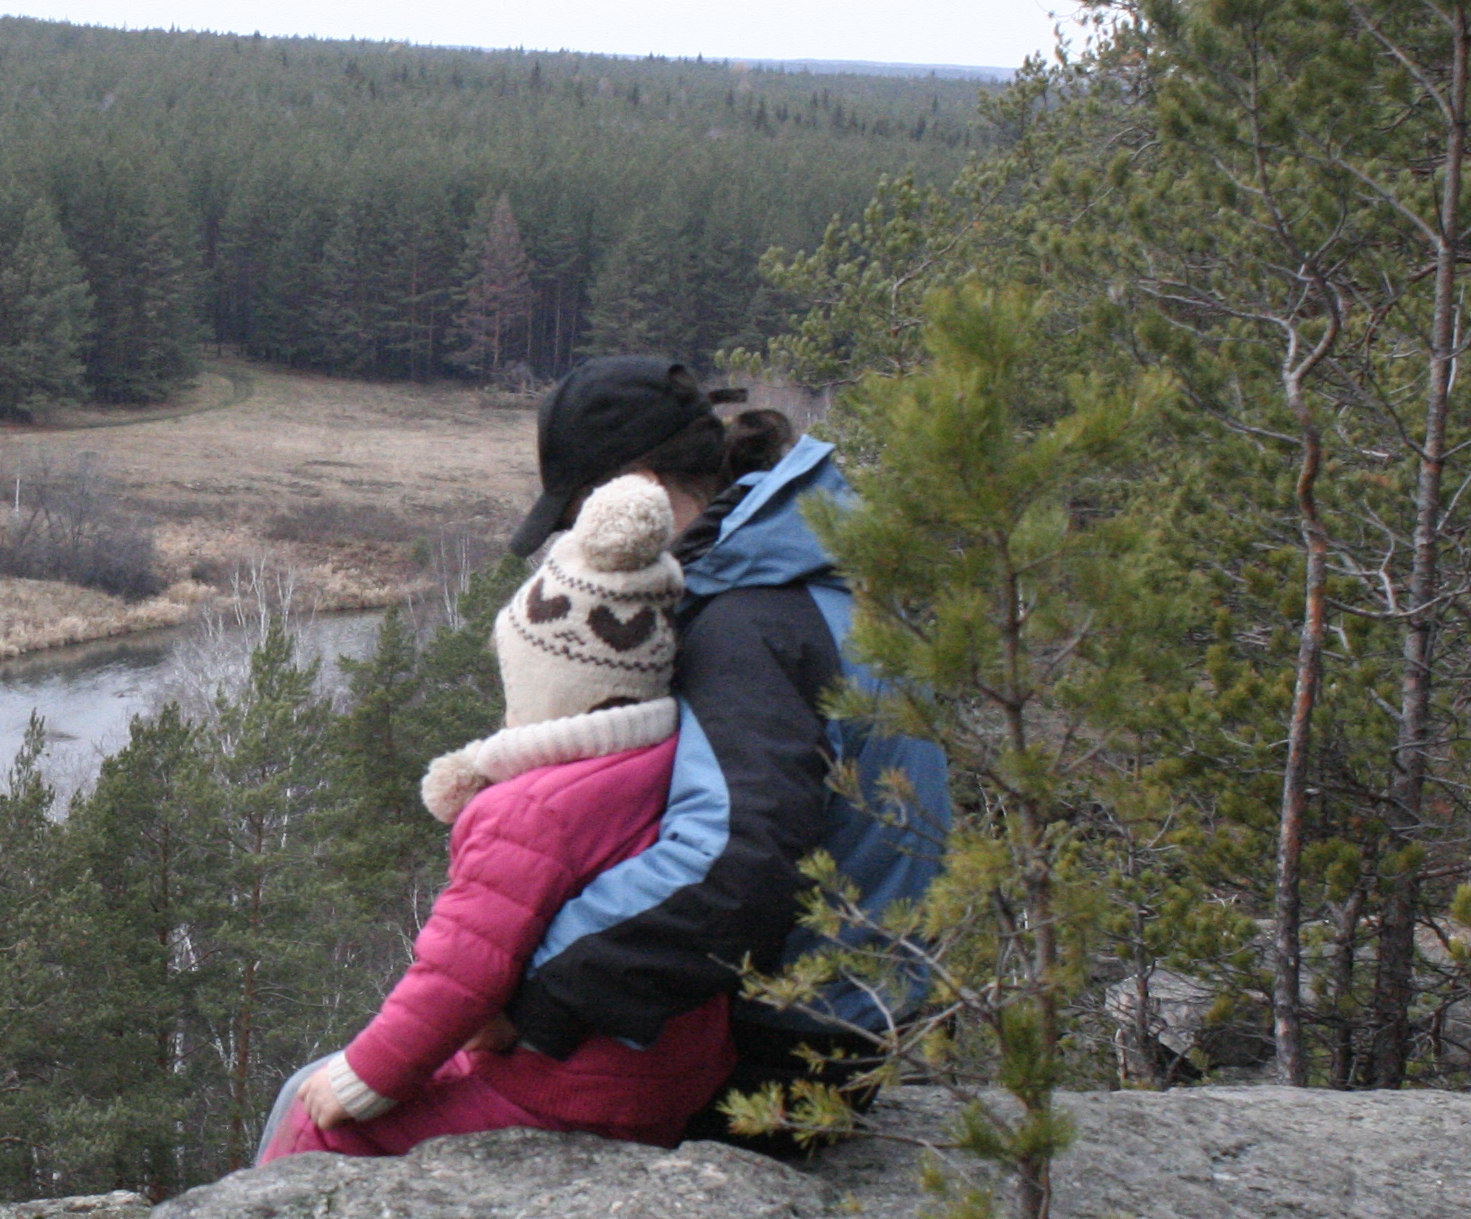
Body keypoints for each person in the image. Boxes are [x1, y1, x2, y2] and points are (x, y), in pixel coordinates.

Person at [494, 357, 953, 1120]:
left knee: (351, 1104)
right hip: (858, 1020)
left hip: (777, 1051)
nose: (575, 549)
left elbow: (734, 865)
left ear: (639, 489)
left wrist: (534, 990)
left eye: (576, 519)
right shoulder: (808, 566)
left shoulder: (748, 623)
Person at [260, 473, 735, 1160]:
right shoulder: (672, 759)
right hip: (668, 1078)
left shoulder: (526, 812)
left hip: (569, 1088)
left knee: (321, 1122)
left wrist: (364, 1078)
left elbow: (459, 975)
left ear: (549, 686)